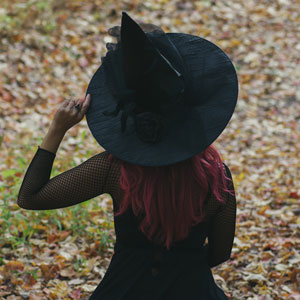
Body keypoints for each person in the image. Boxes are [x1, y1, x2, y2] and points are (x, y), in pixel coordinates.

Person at [17, 12, 238, 300]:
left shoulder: (114, 171)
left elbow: (30, 197)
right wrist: (183, 268)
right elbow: (220, 253)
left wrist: (57, 129)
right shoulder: (217, 176)